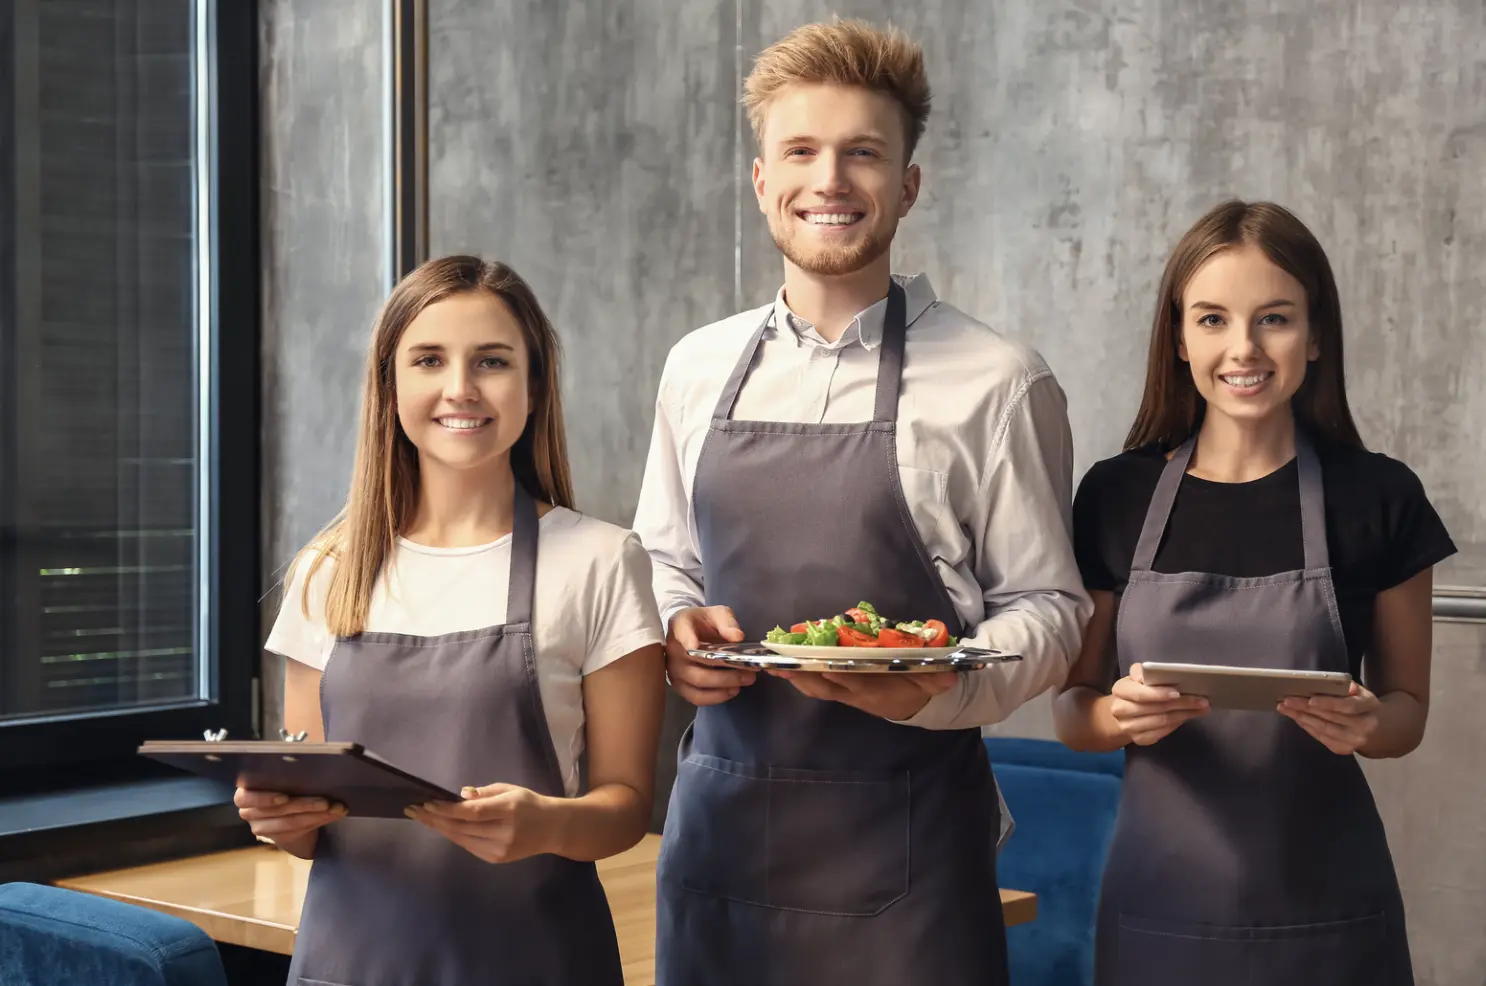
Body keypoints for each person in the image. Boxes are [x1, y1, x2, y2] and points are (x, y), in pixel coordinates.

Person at [632, 19, 1091, 986]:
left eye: (862, 154)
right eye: (800, 151)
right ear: (763, 181)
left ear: (908, 185)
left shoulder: (1000, 382)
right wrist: (676, 622)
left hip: (910, 857)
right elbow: (662, 558)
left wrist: (933, 689)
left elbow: (1052, 611)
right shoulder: (695, 367)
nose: (828, 180)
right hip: (718, 839)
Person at [1054, 200, 1456, 985]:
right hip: (1159, 917)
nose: (1243, 348)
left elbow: (1407, 713)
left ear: (1314, 336)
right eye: (1211, 320)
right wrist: (1115, 716)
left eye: (1273, 318)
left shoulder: (1380, 498)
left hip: (1330, 921)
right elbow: (1073, 708)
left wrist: (1369, 722)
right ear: (1178, 338)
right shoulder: (1115, 495)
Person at [236, 257, 666, 985]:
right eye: (429, 360)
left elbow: (626, 809)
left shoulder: (601, 560)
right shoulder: (327, 571)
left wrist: (547, 824)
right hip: (351, 966)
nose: (460, 388)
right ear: (389, 385)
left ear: (533, 389)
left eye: (492, 361)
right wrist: (284, 822)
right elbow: (311, 819)